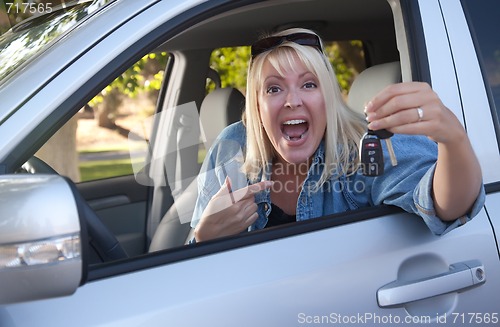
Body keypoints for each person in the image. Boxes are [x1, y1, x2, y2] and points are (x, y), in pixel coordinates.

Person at [190, 27, 485, 242]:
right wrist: (203, 238)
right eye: (274, 89)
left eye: (309, 85)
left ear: (328, 97)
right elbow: (190, 271)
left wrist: (453, 139)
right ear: (257, 104)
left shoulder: (368, 145)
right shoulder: (232, 145)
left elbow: (447, 205)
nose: (293, 101)